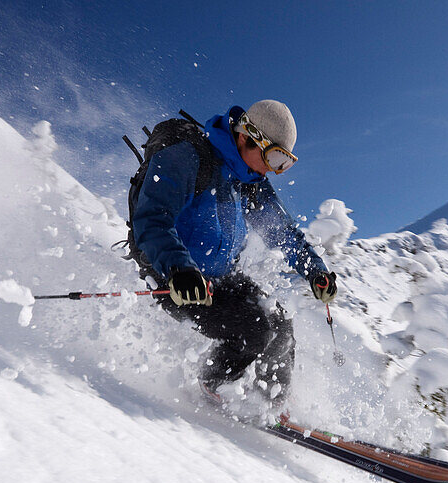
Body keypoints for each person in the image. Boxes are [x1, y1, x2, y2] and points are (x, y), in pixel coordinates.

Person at [129, 99, 338, 408]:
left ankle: (274, 403)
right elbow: (151, 218)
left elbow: (284, 234)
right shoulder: (189, 158)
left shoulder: (250, 182)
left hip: (221, 277)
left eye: (284, 162)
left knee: (281, 324)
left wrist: (315, 271)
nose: (275, 170)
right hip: (176, 278)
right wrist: (178, 268)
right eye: (275, 157)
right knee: (254, 330)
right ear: (246, 136)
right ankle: (213, 385)